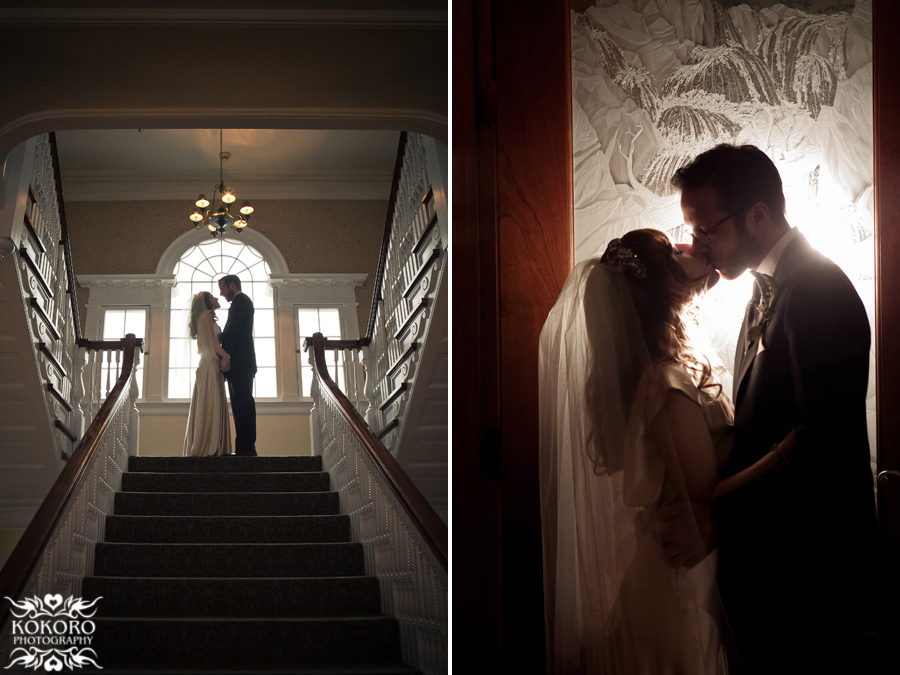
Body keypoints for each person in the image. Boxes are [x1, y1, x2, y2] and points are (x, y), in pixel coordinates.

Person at [539, 229, 796, 674]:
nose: (692, 246)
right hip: (680, 578)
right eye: (673, 250)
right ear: (659, 285)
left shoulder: (669, 368)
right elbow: (705, 493)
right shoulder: (664, 381)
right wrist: (784, 451)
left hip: (681, 564)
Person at [676, 144, 878, 674]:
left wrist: (717, 506)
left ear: (757, 215)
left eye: (706, 230)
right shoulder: (767, 288)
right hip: (771, 566)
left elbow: (822, 444)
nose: (699, 245)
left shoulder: (818, 290)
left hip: (810, 571)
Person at [182, 291, 233, 457]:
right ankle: (210, 445)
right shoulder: (207, 315)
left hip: (206, 363)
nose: (217, 298)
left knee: (207, 401)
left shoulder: (201, 317)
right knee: (211, 401)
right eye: (212, 297)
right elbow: (214, 345)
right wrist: (227, 356)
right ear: (206, 302)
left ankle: (207, 442)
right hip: (211, 364)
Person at [218, 274, 258, 456]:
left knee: (243, 404)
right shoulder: (238, 303)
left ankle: (247, 447)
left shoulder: (241, 301)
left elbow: (234, 331)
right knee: (238, 406)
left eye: (223, 288)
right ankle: (242, 447)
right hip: (238, 362)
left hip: (240, 361)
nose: (221, 293)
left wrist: (225, 355)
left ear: (232, 285)